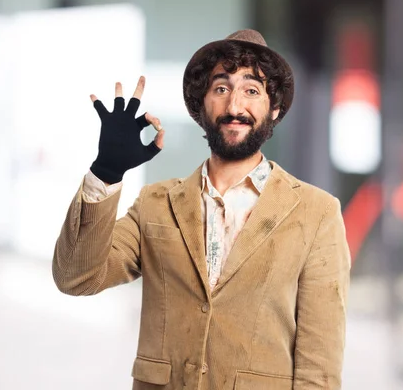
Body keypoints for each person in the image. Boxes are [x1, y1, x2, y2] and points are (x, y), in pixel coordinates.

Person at [53, 29, 350, 390]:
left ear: (274, 108)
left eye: (252, 90)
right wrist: (106, 171)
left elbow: (318, 368)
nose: (235, 106)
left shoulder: (316, 213)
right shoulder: (155, 204)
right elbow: (75, 276)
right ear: (201, 105)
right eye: (221, 88)